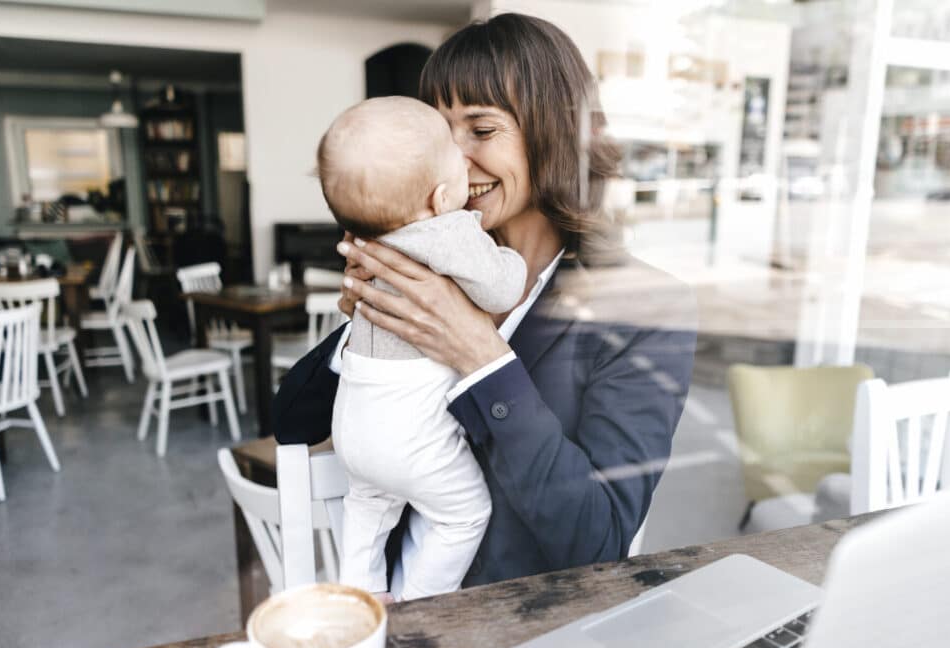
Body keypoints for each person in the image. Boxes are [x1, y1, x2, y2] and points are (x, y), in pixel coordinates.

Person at [274, 12, 697, 593]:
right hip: (395, 615)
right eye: (440, 135)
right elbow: (292, 422)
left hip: (512, 632)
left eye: (482, 130)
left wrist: (481, 356)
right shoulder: (426, 264)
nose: (454, 161)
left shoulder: (645, 308)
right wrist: (364, 324)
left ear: (554, 132)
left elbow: (597, 542)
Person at [316, 96, 527, 600]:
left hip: (352, 426)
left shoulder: (366, 242)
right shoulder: (447, 232)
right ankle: (418, 607)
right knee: (463, 513)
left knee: (367, 508)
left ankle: (361, 600)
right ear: (438, 197)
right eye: (453, 150)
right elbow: (499, 288)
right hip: (409, 433)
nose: (465, 158)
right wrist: (509, 259)